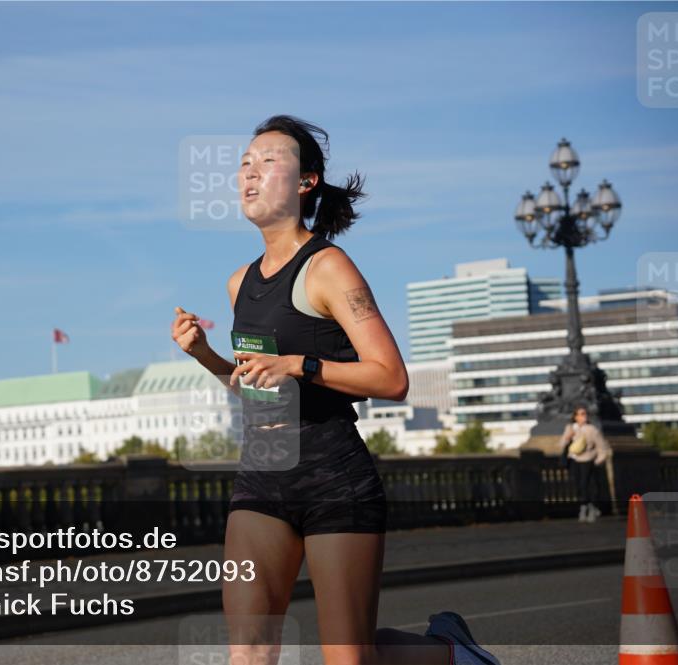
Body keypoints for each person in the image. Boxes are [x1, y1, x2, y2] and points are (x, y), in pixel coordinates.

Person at [172, 115, 499, 665]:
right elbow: (258, 387)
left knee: (349, 656)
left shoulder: (328, 267)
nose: (250, 173)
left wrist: (302, 364)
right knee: (248, 650)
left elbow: (391, 377)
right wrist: (205, 355)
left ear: (306, 182)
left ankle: (452, 654)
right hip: (263, 470)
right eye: (244, 164)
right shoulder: (240, 283)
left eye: (268, 162)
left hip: (333, 474)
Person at [559, 405, 611, 522]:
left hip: (587, 460)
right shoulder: (570, 428)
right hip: (573, 460)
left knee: (587, 484)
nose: (584, 416)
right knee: (578, 485)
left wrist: (598, 460)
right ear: (575, 417)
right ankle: (584, 506)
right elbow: (562, 444)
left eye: (585, 414)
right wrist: (568, 437)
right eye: (581, 414)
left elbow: (602, 446)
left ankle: (590, 507)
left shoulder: (592, 429)